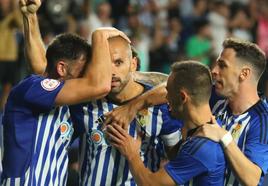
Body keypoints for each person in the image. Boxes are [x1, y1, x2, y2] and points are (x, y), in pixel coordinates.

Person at [105, 38, 268, 186]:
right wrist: (132, 106)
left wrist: (224, 138)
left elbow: (253, 180)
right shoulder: (216, 98)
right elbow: (173, 87)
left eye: (222, 65)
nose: (214, 70)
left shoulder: (262, 120)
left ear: (244, 74)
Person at [1, 0, 130, 185]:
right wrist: (99, 35)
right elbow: (100, 85)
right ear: (62, 69)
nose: (86, 77)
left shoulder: (69, 102)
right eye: (83, 71)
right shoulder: (31, 88)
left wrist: (30, 17)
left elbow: (40, 65)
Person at [69, 33, 182, 186]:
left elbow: (177, 157)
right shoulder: (82, 103)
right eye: (105, 65)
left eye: (118, 62)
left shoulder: (160, 106)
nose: (112, 72)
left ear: (133, 64)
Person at [106, 61, 226, 185]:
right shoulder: (207, 128)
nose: (165, 98)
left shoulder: (203, 147)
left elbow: (150, 184)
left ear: (182, 97)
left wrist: (132, 154)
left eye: (169, 93)